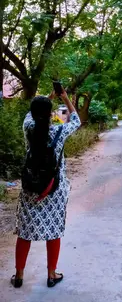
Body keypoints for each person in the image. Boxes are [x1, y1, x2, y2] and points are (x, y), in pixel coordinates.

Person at [11, 89, 81, 288]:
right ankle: (51, 275)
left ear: (33, 114)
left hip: (30, 189)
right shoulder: (59, 131)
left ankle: (19, 276)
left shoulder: (29, 127)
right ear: (51, 114)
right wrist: (64, 97)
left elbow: (29, 115)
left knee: (24, 233)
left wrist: (46, 98)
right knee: (54, 232)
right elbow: (76, 121)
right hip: (54, 190)